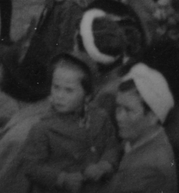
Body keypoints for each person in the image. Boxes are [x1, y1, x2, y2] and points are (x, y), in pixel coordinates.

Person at [18, 51, 120, 192]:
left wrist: (105, 165)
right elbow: (30, 166)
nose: (59, 96)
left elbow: (111, 146)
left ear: (88, 96)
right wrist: (61, 179)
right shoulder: (43, 128)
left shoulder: (100, 117)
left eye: (69, 90)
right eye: (56, 87)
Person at [106, 64, 179, 193]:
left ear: (152, 116)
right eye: (118, 107)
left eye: (128, 110)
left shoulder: (147, 169)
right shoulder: (145, 139)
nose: (119, 117)